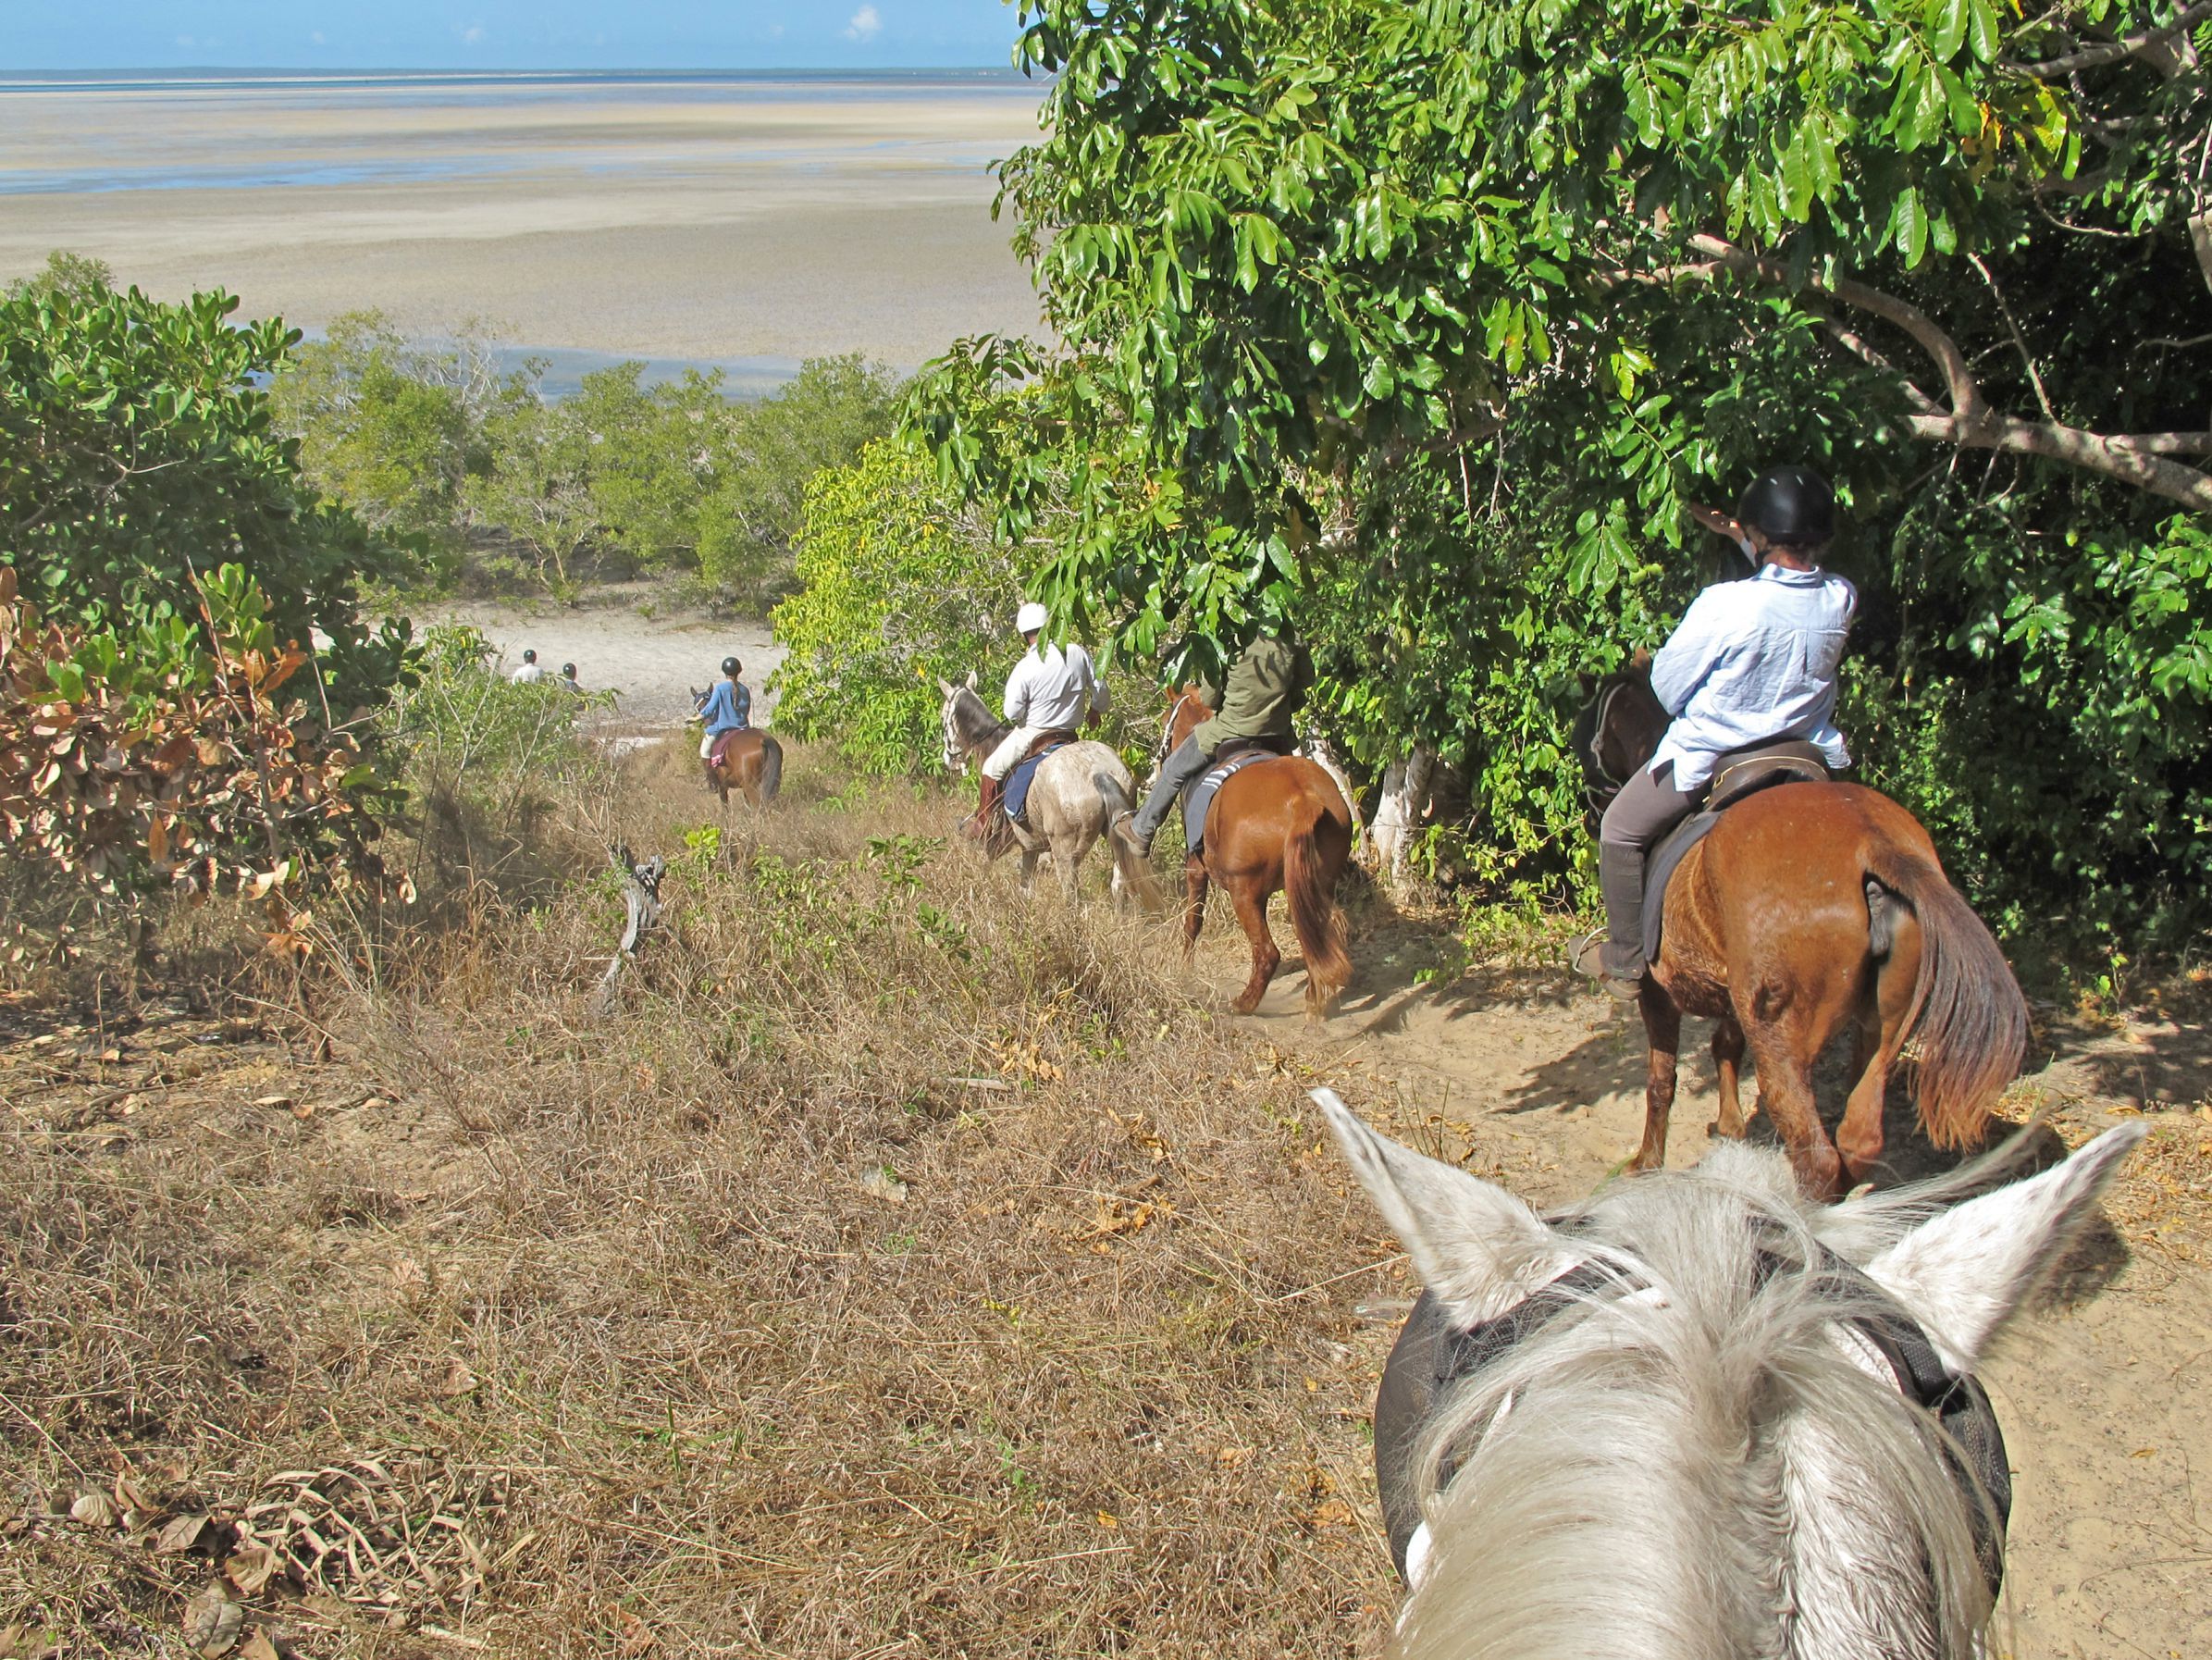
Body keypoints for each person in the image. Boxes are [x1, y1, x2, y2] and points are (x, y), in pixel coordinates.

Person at [1570, 465, 1858, 1000]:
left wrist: (1743, 535)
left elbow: (1667, 687)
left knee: (1620, 829)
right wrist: (1740, 534)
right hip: (1807, 757)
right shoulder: (1839, 598)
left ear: (1759, 536)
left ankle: (1627, 961)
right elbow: (1790, 586)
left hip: (1713, 757)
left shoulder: (1725, 604)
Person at [1112, 629, 1315, 859]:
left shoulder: (1228, 634)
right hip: (1278, 736)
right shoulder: (1291, 633)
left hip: (1228, 732)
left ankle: (1142, 830)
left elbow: (1209, 699)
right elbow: (1306, 681)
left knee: (1173, 768)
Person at [968, 602, 1110, 836]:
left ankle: (983, 825)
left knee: (991, 767)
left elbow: (1011, 713)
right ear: (1049, 627)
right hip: (1070, 735)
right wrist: (1095, 710)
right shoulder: (1077, 652)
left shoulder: (1025, 667)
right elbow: (1100, 689)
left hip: (1034, 733)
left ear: (1025, 635)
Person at [693, 656, 752, 789]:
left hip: (722, 729)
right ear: (739, 671)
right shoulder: (745, 690)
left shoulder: (720, 688)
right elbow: (746, 710)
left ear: (724, 672)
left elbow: (710, 708)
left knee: (705, 751)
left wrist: (697, 717)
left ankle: (713, 782)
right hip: (743, 729)